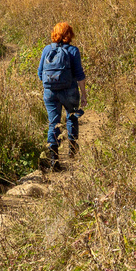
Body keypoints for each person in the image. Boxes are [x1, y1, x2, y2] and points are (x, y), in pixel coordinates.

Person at [37, 22, 87, 170]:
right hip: (69, 90)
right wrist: (83, 94)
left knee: (53, 123)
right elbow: (79, 75)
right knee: (72, 117)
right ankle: (72, 150)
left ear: (54, 34)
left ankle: (54, 160)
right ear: (69, 34)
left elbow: (40, 74)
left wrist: (52, 84)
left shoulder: (47, 49)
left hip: (50, 92)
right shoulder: (73, 51)